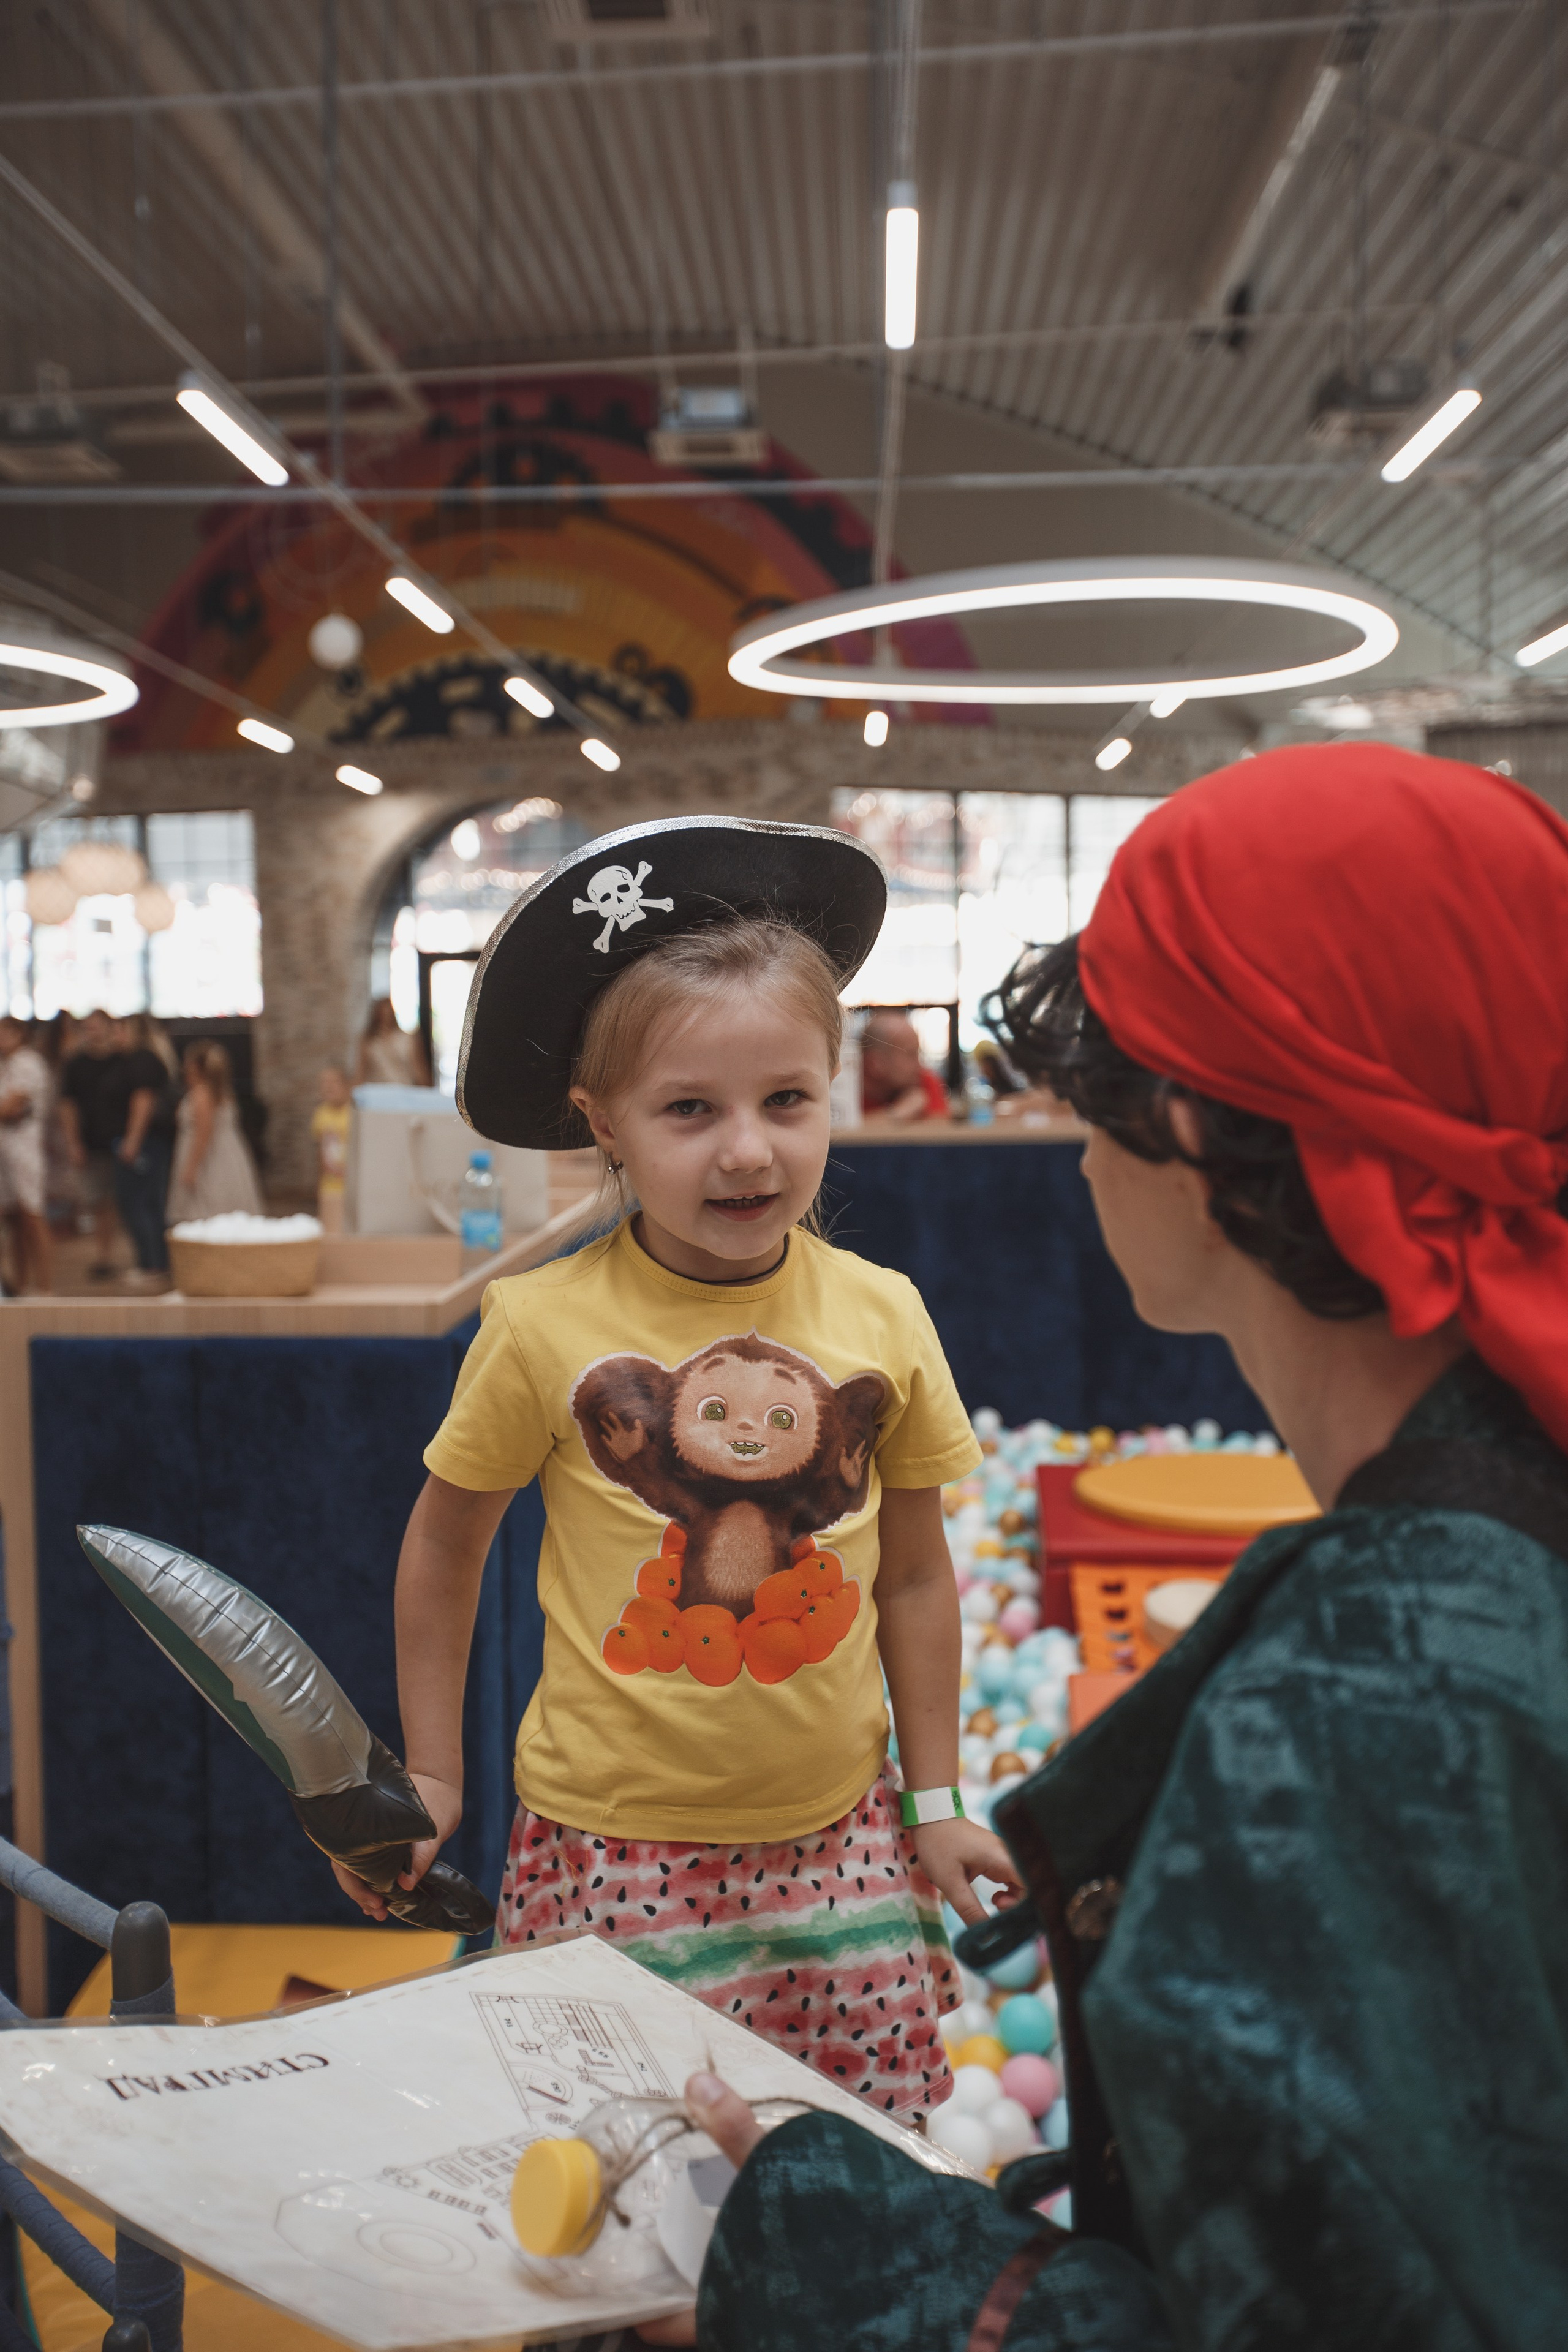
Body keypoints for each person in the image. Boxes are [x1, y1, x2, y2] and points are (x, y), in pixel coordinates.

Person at [667, 742, 1568, 2350]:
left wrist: (820, 2236)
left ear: (1200, 1135)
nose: (1079, 1147)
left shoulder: (1363, 1719)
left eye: (1103, 1090)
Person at [331, 816, 1022, 2121]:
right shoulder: (540, 1329)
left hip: (839, 1846)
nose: (746, 1150)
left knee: (841, 2177)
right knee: (615, 2185)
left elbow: (917, 1582)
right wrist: (430, 1777)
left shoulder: (883, 1315)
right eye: (688, 1110)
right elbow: (444, 1545)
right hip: (610, 1850)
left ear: (836, 1091)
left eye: (784, 1101)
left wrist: (934, 1798)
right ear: (603, 1124)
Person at [104, 1013, 178, 1287]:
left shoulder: (142, 1060)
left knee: (140, 1203)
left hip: (144, 1144)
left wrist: (133, 1141)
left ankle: (154, 1265)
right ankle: (153, 1262)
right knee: (141, 1202)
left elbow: (143, 1101)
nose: (115, 1036)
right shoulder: (131, 1060)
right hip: (141, 1142)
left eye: (119, 1030)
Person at [165, 1040, 264, 1225]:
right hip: (227, 1156)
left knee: (207, 1209)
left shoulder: (202, 1093)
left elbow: (204, 1131)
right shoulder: (218, 1091)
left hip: (210, 1160)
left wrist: (192, 1168)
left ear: (196, 1066)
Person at [58, 1008, 124, 1278]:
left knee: (121, 1202)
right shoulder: (75, 1065)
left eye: (97, 1026)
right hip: (91, 1142)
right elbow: (67, 1106)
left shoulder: (123, 1061)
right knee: (98, 1201)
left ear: (109, 1028)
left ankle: (122, 1253)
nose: (92, 1031)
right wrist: (73, 1142)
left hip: (122, 1142)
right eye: (88, 1027)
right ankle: (103, 1256)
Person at [0, 1014, 53, 1294]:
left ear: (20, 1034)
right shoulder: (4, 1066)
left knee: (32, 1215)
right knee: (13, 1219)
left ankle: (45, 1287)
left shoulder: (29, 1064)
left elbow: (10, 1107)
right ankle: (19, 1285)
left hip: (25, 1148)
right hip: (5, 1151)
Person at [860, 1009, 951, 1122]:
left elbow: (941, 1129)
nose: (919, 1065)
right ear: (876, 1063)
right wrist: (899, 1113)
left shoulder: (923, 1081)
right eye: (911, 1055)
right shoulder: (846, 1088)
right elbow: (844, 1133)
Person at [309, 1066, 352, 1234]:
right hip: (330, 1183)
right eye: (324, 1083)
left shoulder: (354, 1112)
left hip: (350, 1182)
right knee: (331, 1227)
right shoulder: (321, 1114)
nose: (329, 1087)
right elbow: (320, 1152)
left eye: (334, 1082)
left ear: (346, 1085)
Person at [355, 997, 431, 1088]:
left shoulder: (407, 1039)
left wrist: (427, 1090)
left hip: (406, 1089)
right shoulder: (370, 1042)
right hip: (380, 1091)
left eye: (389, 1014)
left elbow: (418, 1069)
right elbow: (361, 1072)